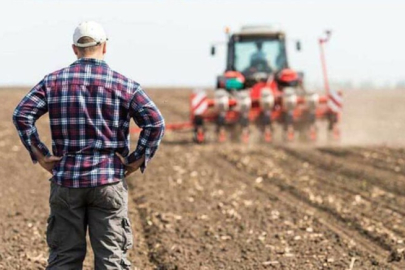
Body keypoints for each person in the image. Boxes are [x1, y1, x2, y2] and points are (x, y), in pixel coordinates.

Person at [12, 21, 165, 269]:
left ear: (75, 49)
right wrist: (137, 159)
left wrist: (41, 155)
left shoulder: (53, 82)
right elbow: (155, 122)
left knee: (64, 259)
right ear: (104, 47)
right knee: (111, 260)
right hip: (108, 182)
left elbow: (22, 114)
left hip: (66, 181)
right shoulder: (125, 85)